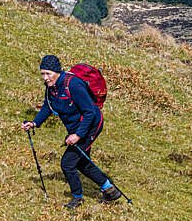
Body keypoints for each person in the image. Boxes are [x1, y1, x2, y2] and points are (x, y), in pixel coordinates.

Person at [21, 55, 122, 209]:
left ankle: (77, 198)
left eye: (48, 73)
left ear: (57, 71)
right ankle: (110, 190)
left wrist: (78, 135)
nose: (45, 78)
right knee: (81, 162)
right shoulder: (51, 88)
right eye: (42, 74)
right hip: (78, 127)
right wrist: (34, 123)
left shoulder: (73, 85)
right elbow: (48, 106)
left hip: (90, 126)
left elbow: (90, 113)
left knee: (67, 163)